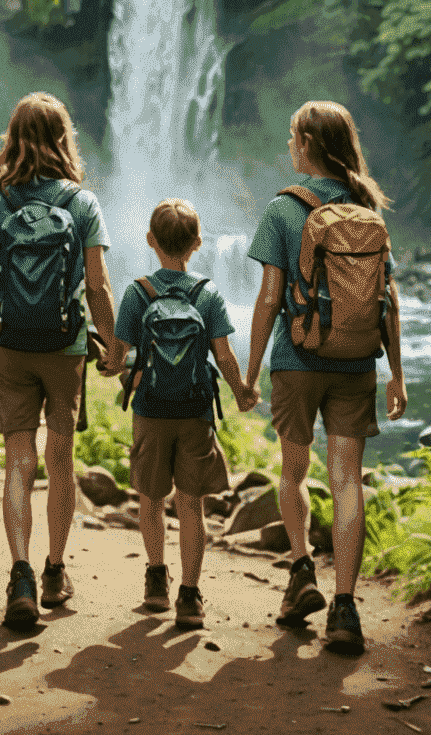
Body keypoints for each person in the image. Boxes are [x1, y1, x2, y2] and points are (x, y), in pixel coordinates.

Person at [243, 100, 406, 655]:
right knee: (347, 480)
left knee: (293, 472)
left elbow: (269, 299)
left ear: (309, 143)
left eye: (292, 138)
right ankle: (344, 608)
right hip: (357, 363)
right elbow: (388, 301)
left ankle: (301, 570)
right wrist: (397, 376)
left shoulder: (284, 210)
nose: (288, 146)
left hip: (297, 361)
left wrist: (249, 369)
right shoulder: (370, 212)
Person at [0, 92, 121, 629]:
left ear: (13, 139)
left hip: (11, 346)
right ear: (64, 139)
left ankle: (21, 574)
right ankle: (55, 569)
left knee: (17, 462)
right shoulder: (82, 204)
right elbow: (96, 285)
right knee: (60, 460)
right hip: (65, 347)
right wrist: (114, 344)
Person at [114, 198, 250, 630]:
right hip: (195, 414)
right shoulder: (207, 295)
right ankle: (189, 597)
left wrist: (119, 368)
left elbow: (120, 356)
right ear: (197, 244)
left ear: (151, 241)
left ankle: (156, 582)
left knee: (150, 498)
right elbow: (225, 357)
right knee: (191, 503)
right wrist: (242, 391)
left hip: (150, 411)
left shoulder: (138, 293)